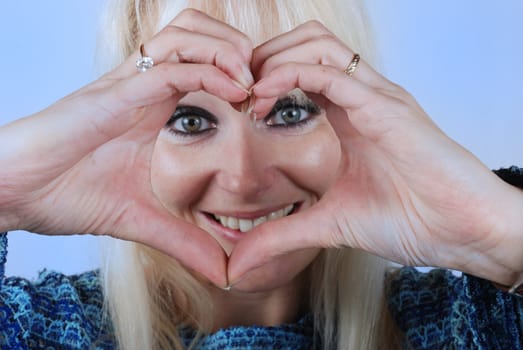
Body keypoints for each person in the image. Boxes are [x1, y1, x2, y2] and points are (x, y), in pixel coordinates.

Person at [0, 0, 522, 349]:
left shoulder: (467, 326)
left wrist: (502, 236)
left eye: (290, 111)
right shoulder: (31, 329)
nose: (244, 178)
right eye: (190, 118)